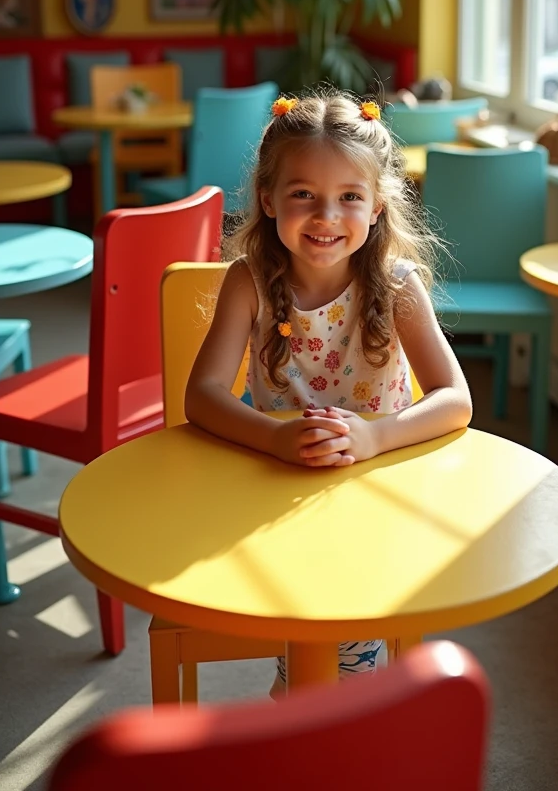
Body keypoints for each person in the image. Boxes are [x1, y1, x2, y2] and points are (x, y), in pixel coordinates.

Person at [186, 89, 472, 693]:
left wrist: (374, 436)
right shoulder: (250, 281)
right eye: (302, 196)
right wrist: (276, 438)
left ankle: (328, 719)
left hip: (378, 495)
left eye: (349, 197)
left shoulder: (396, 287)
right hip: (278, 494)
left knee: (348, 630)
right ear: (267, 200)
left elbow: (454, 399)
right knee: (308, 612)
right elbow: (203, 395)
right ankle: (316, 713)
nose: (326, 217)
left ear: (376, 208)